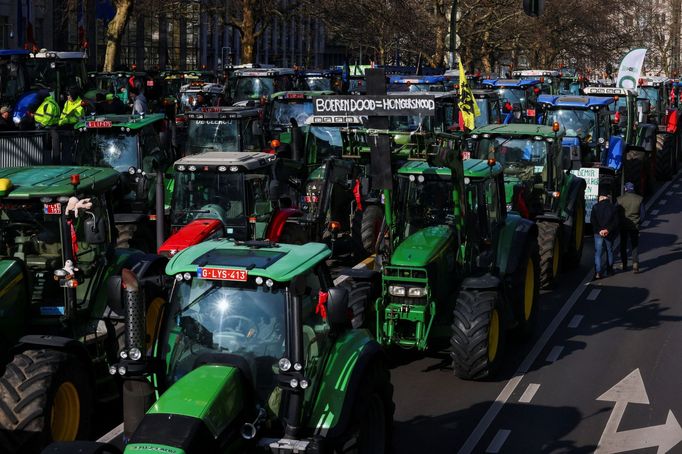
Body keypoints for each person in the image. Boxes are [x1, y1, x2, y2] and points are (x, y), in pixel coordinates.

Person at [591, 191, 619, 279]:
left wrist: (599, 230)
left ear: (602, 197)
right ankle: (609, 270)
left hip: (598, 233)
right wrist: (607, 230)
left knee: (598, 253)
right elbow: (615, 222)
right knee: (609, 251)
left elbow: (593, 220)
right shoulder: (613, 207)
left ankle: (598, 273)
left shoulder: (595, 207)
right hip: (608, 233)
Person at [617, 182, 645, 273]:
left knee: (623, 245)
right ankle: (635, 264)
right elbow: (643, 215)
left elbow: (615, 212)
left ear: (625, 189)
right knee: (634, 246)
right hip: (634, 226)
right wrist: (638, 222)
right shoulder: (639, 199)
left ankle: (624, 264)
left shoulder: (620, 199)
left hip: (623, 225)